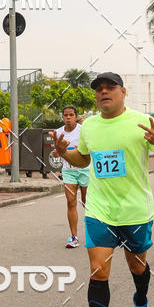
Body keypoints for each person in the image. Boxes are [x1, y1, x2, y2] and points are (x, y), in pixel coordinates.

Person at [51, 72, 154, 307]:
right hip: (100, 210)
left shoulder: (142, 122)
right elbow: (84, 158)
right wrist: (65, 154)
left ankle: (141, 301)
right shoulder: (90, 126)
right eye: (99, 89)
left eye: (110, 88)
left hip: (135, 211)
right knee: (98, 271)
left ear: (123, 92)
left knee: (137, 267)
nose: (103, 92)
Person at [55, 105, 90, 248]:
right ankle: (74, 237)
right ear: (62, 117)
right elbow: (56, 152)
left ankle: (93, 233)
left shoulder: (83, 130)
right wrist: (57, 152)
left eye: (71, 115)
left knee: (87, 202)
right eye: (66, 115)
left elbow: (89, 148)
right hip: (68, 171)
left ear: (76, 116)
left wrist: (79, 151)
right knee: (71, 201)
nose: (68, 118)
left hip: (84, 170)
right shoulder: (59, 132)